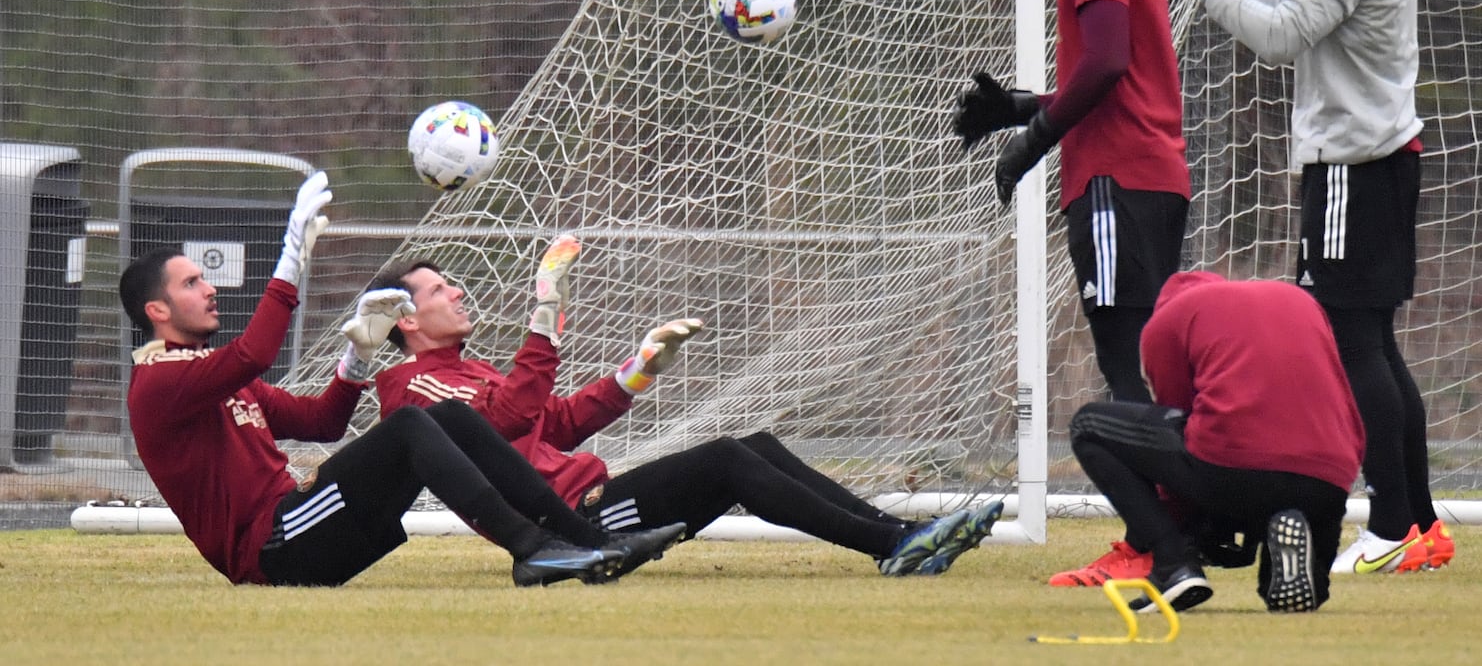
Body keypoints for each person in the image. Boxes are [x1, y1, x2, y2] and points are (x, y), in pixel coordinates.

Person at [1145, 0, 1452, 574]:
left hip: (1354, 163)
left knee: (1352, 347)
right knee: (1373, 344)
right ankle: (1419, 523)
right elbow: (1295, 3)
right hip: (1373, 156)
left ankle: (1389, 529)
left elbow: (1281, 38)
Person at [121, 171, 683, 588]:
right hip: (274, 545)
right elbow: (255, 352)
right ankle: (534, 549)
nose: (210, 288)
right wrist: (290, 261)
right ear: (158, 311)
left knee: (449, 419)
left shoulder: (206, 375)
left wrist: (357, 359)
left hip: (304, 526)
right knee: (416, 423)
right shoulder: (159, 382)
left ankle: (588, 545)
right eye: (193, 282)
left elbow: (323, 422)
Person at [371, 235, 1004, 577]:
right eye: (436, 288)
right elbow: (510, 415)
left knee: (752, 445)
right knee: (729, 458)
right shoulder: (411, 386)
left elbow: (554, 423)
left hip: (597, 503)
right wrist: (546, 309)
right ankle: (893, 545)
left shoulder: (466, 369)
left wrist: (637, 369)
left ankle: (902, 537)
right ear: (405, 319)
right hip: (577, 524)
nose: (456, 290)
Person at [951, 0, 1190, 585]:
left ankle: (1160, 543)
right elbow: (1125, 70)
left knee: (1126, 369)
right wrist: (1023, 107)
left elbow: (1109, 67)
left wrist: (1035, 138)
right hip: (1149, 174)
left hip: (1115, 179)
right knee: (1140, 361)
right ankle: (1167, 532)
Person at [1068, 271, 1365, 612]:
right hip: (1329, 479)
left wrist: (1183, 530)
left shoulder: (1167, 320)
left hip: (1234, 465)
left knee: (1088, 425)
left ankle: (1173, 567)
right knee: (1284, 580)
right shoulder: (1300, 301)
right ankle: (1289, 554)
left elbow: (1179, 420)